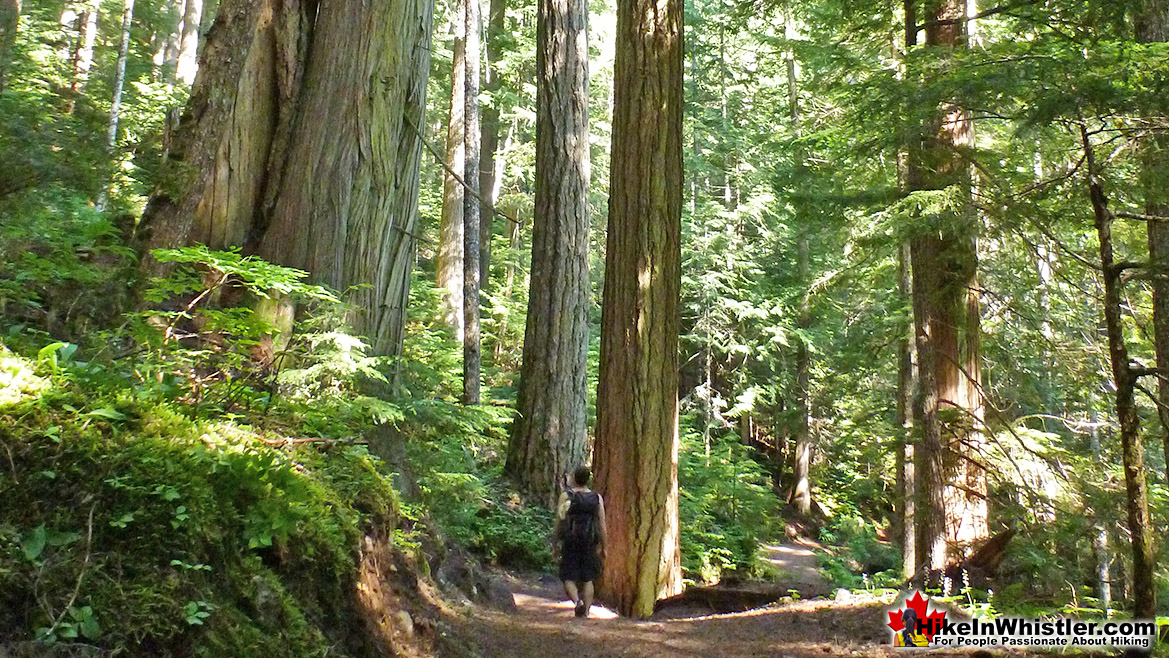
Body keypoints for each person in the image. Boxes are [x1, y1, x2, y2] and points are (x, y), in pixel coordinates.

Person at [552, 466, 607, 618]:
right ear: (588, 479)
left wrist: (555, 543)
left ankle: (577, 602)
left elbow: (559, 521)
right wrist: (604, 546)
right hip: (589, 540)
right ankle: (587, 612)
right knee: (588, 578)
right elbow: (602, 524)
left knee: (568, 576)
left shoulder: (566, 496)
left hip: (571, 540)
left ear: (575, 478)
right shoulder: (597, 498)